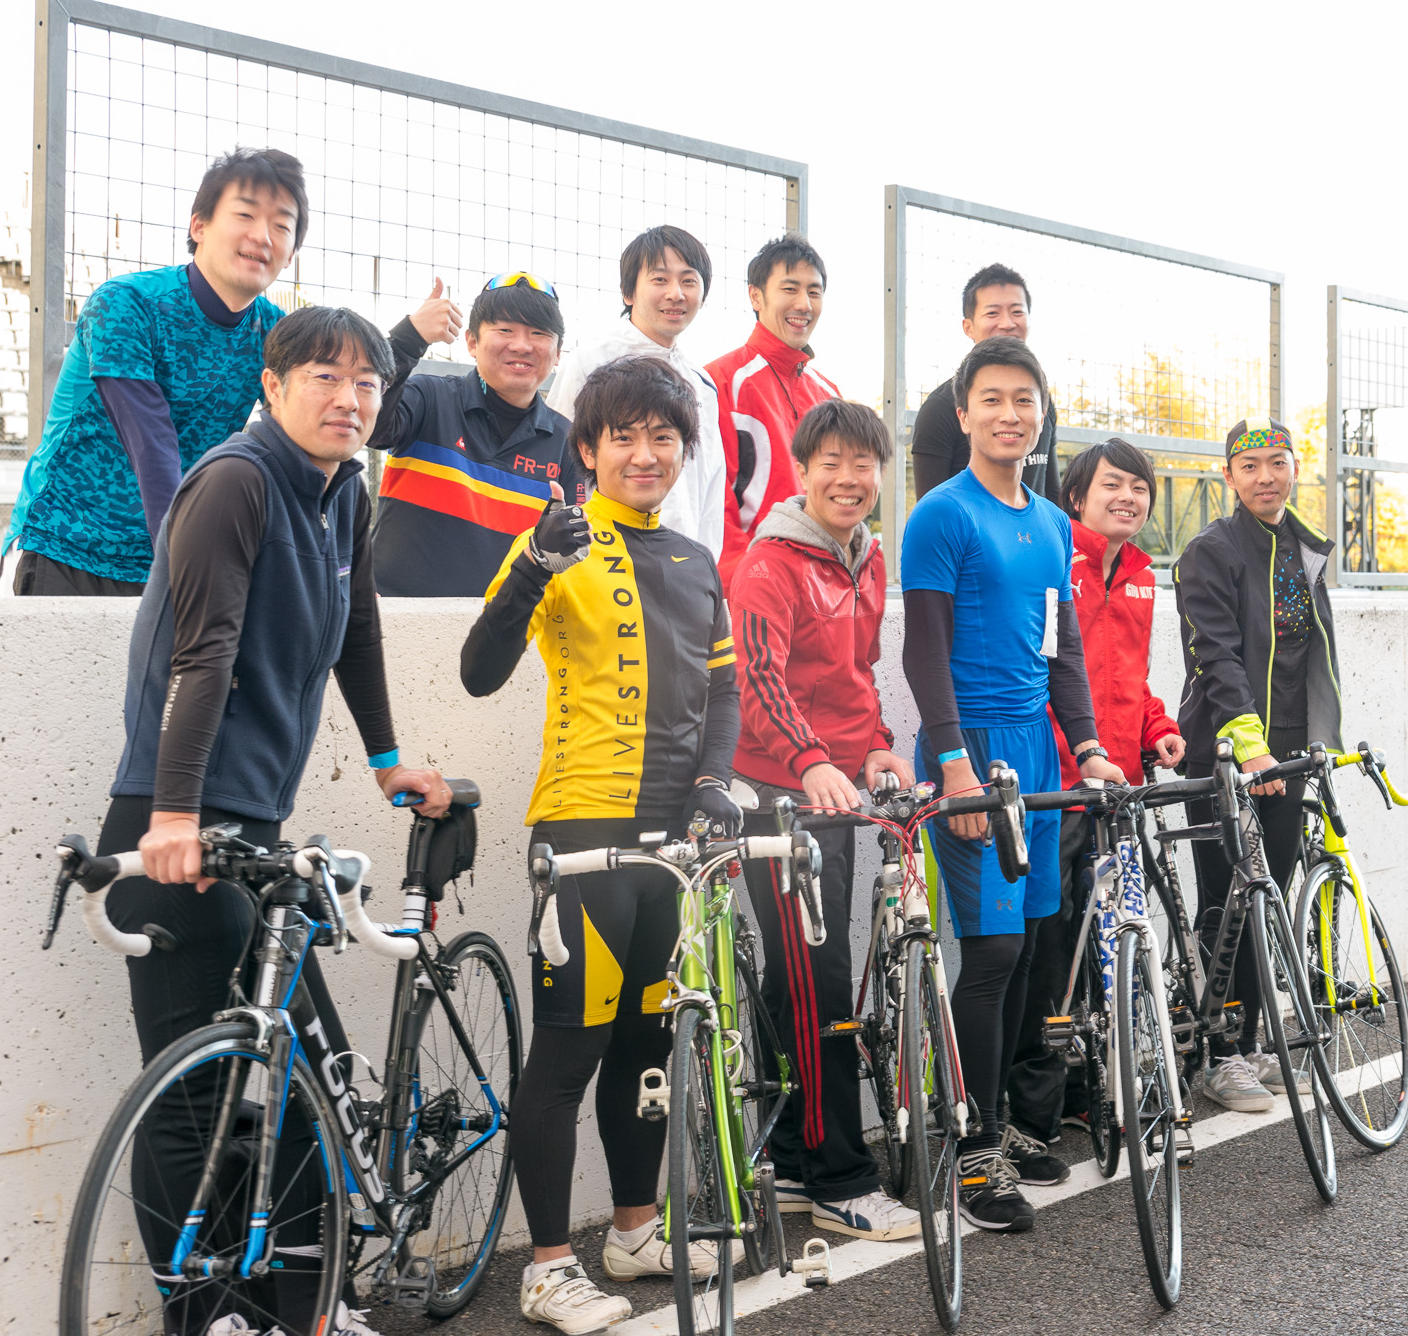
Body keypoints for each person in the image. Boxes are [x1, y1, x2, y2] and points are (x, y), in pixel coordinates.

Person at [98, 304, 455, 1336]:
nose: (349, 400)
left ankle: (300, 1306)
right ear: (273, 382)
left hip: (253, 826)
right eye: (325, 378)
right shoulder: (236, 483)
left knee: (300, 1080)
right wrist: (172, 815)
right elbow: (198, 655)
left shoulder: (343, 486)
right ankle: (206, 1314)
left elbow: (360, 622)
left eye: (367, 384)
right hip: (176, 824)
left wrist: (386, 759)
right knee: (192, 1102)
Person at [460, 354, 742, 1334]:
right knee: (569, 1052)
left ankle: (632, 1230)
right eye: (622, 435)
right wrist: (535, 561)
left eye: (662, 435)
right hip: (583, 832)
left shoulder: (698, 562)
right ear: (586, 450)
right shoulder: (557, 541)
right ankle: (545, 1269)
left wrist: (716, 781)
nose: (644, 452)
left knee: (650, 1042)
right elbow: (480, 670)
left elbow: (725, 693)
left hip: (676, 843)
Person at [898, 335, 1122, 1232]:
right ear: (964, 415)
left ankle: (994, 1120)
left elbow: (1059, 650)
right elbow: (923, 651)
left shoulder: (1052, 523)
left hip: (1036, 752)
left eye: (1024, 400)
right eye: (991, 399)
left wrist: (1092, 746)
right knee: (988, 954)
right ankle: (972, 1149)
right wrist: (950, 761)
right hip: (971, 751)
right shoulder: (940, 517)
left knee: (1028, 946)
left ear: (1041, 415)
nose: (1009, 414)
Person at [726, 398, 921, 1243]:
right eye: (831, 463)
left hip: (840, 792)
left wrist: (875, 745)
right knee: (818, 981)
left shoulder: (866, 558)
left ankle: (801, 1161)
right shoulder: (770, 562)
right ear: (801, 472)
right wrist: (812, 762)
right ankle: (843, 1175)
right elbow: (758, 681)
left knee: (803, 976)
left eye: (864, 465)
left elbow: (859, 673)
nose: (850, 479)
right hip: (781, 796)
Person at [1, 148, 296, 595]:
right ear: (199, 225)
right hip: (63, 549)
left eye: (281, 226)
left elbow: (325, 410)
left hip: (173, 563)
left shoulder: (275, 334)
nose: (263, 236)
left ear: (291, 253)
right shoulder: (127, 304)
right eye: (245, 214)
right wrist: (196, 570)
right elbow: (152, 442)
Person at [1006, 438, 1185, 1147]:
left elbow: (1127, 681)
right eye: (1113, 485)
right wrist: (1073, 757)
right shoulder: (1058, 559)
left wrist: (1157, 728)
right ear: (1075, 497)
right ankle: (1037, 1111)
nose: (1129, 498)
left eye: (1139, 487)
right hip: (1060, 786)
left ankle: (1095, 1089)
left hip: (1119, 789)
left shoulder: (1141, 573)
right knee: (1053, 948)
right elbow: (1043, 673)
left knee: (1114, 942)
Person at [1172, 418, 1339, 1114]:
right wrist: (1249, 744)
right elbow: (1217, 656)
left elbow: (1311, 657)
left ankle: (1246, 1041)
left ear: (1296, 467)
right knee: (1226, 899)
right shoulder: (1210, 551)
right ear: (1228, 478)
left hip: (1292, 746)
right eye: (1249, 467)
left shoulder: (1303, 544)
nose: (1265, 477)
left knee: (1266, 892)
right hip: (1227, 750)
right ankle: (1218, 1055)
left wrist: (1317, 743)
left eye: (1277, 462)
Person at [369, 271, 589, 595]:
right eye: (505, 330)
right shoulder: (430, 398)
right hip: (398, 625)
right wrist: (408, 337)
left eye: (539, 333)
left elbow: (573, 556)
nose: (522, 345)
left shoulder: (567, 443)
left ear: (558, 354)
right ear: (472, 341)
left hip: (503, 635)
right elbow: (369, 425)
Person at [549, 226, 726, 547]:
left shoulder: (703, 384)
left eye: (689, 281)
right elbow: (559, 464)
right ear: (628, 292)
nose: (676, 293)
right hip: (599, 560)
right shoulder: (590, 362)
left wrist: (707, 567)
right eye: (660, 279)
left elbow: (710, 490)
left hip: (681, 564)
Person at [707, 234, 842, 587]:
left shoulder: (829, 394)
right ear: (756, 295)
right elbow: (712, 504)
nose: (804, 304)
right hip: (751, 589)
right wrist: (753, 578)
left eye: (814, 292)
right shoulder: (717, 382)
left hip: (821, 586)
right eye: (790, 289)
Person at [910, 264, 1061, 503]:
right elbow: (931, 508)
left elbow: (1052, 493)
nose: (1007, 323)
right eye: (992, 313)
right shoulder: (939, 408)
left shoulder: (1041, 400)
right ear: (968, 327)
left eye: (1017, 312)